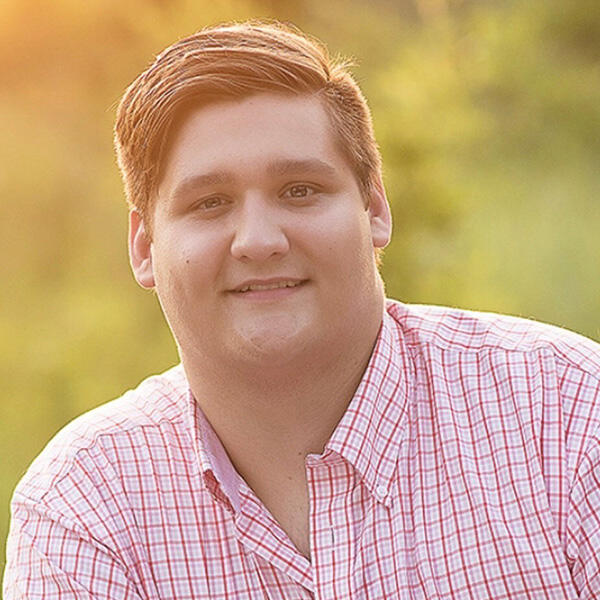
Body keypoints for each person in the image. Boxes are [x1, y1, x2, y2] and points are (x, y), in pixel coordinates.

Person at [4, 20, 600, 599]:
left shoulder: (567, 418)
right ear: (144, 248)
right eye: (210, 203)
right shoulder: (85, 508)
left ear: (374, 209)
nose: (259, 240)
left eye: (300, 191)